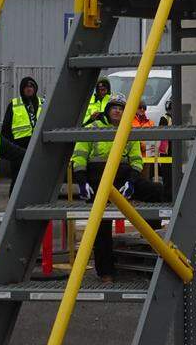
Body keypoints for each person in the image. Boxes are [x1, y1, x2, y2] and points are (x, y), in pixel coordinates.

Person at [71, 96, 166, 284]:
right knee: (101, 227)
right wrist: (81, 181)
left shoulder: (127, 131)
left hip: (123, 180)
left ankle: (152, 250)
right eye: (113, 107)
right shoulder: (93, 128)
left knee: (158, 192)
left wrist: (131, 181)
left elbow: (136, 160)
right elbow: (79, 157)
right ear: (107, 110)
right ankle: (106, 272)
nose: (117, 111)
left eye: (121, 108)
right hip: (98, 180)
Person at [1, 75, 44, 180]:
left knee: (38, 177)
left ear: (35, 88)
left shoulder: (44, 103)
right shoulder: (14, 104)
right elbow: (6, 129)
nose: (29, 88)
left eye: (31, 86)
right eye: (26, 86)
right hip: (19, 147)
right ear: (21, 89)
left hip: (39, 146)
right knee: (18, 178)